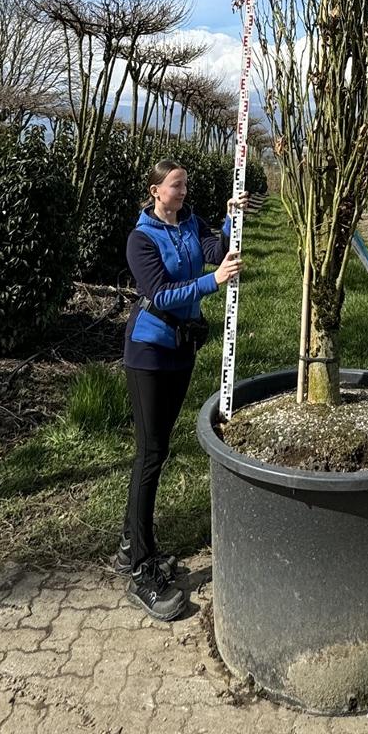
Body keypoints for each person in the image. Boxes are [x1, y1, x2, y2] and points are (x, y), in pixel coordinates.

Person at [117, 159, 244, 622]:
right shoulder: (141, 239)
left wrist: (230, 219)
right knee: (150, 454)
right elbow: (162, 294)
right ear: (155, 190)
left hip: (181, 350)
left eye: (186, 184)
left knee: (159, 449)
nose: (184, 191)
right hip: (149, 353)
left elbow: (216, 249)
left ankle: (129, 543)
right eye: (176, 185)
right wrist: (214, 282)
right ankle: (140, 569)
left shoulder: (189, 222)